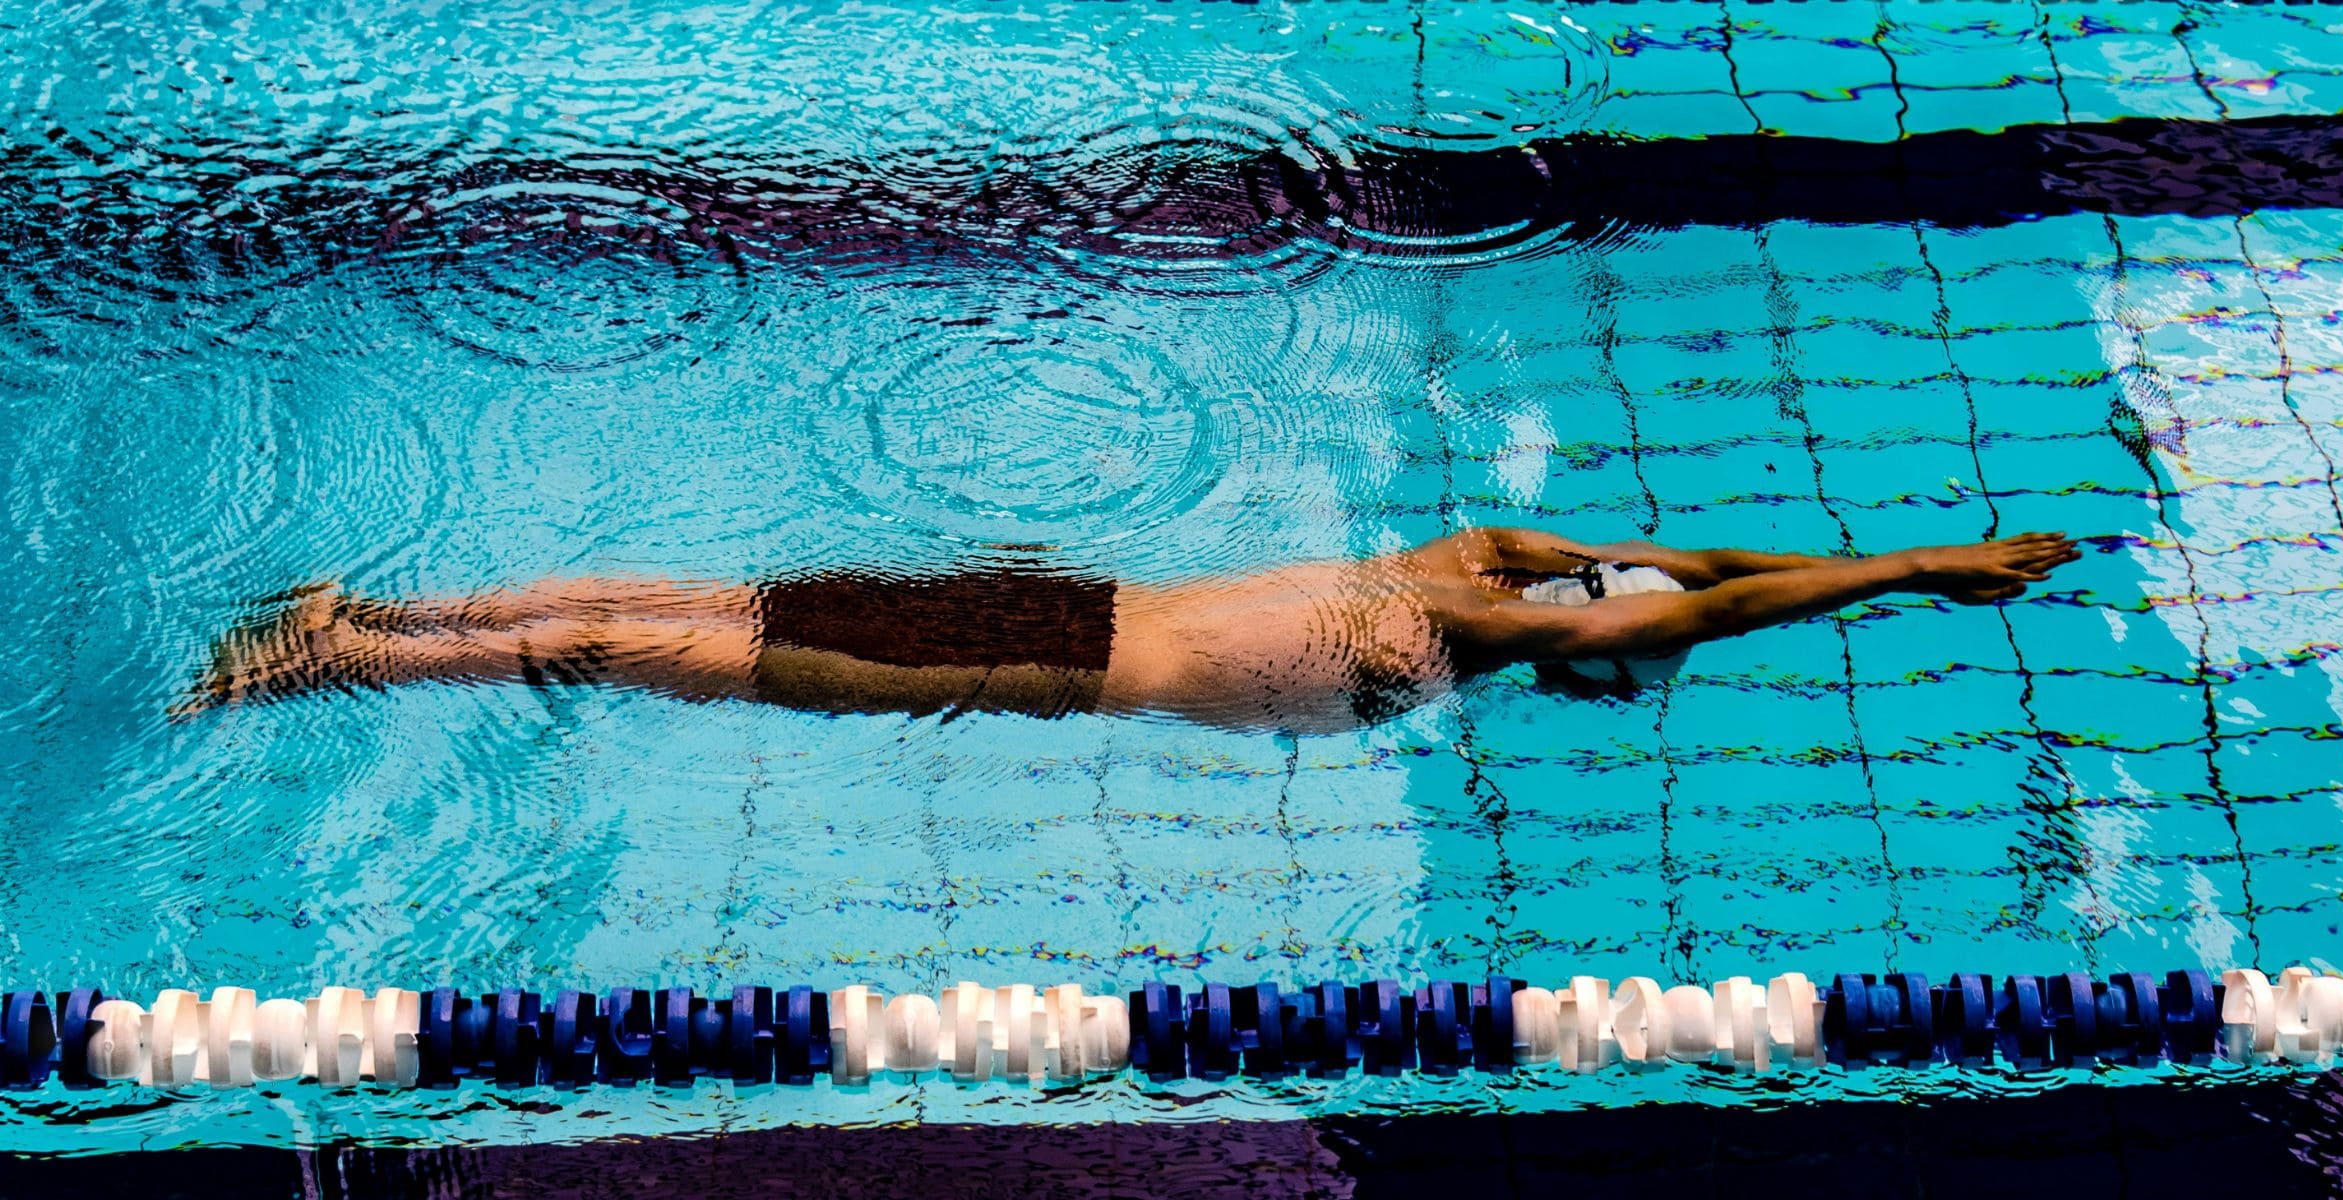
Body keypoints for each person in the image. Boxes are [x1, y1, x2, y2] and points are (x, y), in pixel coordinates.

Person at [183, 530, 2082, 732]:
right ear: (1569, 650)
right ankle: (342, 660)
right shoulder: (1455, 647)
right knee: (672, 652)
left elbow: (1681, 571)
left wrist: (1923, 550)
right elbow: (1724, 608)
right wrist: (1924, 573)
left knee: (689, 602)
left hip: (1053, 593)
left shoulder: (1462, 558)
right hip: (1045, 661)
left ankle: (366, 614)